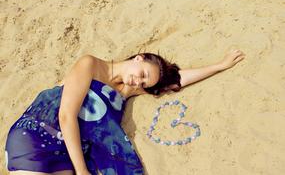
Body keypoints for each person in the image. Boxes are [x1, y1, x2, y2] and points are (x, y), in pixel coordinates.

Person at [5, 49, 245, 175]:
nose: (138, 82)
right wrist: (82, 170)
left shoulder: (127, 91)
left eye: (144, 84)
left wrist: (219, 65)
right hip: (38, 134)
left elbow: (177, 79)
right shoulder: (91, 64)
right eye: (142, 74)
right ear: (138, 58)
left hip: (67, 150)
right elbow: (66, 114)